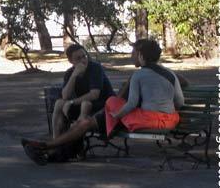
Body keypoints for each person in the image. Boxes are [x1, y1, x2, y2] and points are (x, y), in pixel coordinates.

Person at [22, 39, 185, 166]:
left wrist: (118, 114)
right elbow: (180, 101)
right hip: (168, 119)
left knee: (100, 111)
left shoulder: (139, 75)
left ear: (141, 55)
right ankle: (53, 149)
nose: (131, 55)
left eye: (133, 52)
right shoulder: (170, 73)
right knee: (86, 119)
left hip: (142, 119)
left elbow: (130, 103)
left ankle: (46, 147)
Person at [49, 44, 114, 157]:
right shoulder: (70, 73)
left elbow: (94, 94)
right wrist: (74, 75)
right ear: (70, 61)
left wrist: (72, 102)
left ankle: (76, 146)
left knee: (85, 104)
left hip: (101, 106)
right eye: (78, 58)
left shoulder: (95, 68)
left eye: (84, 56)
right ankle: (56, 143)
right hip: (84, 104)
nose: (83, 60)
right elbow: (65, 96)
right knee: (59, 103)